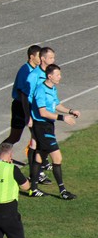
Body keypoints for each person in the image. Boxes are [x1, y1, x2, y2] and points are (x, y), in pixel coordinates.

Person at [29, 64, 80, 199]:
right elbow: (43, 112)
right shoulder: (40, 90)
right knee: (57, 157)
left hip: (48, 126)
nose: (60, 77)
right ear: (50, 76)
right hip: (42, 127)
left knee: (39, 156)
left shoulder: (52, 88)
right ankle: (63, 192)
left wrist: (70, 111)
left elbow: (56, 105)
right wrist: (63, 118)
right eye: (58, 75)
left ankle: (33, 189)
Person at [0, 45, 41, 163]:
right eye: (39, 56)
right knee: (15, 137)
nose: (41, 58)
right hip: (20, 106)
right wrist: (27, 113)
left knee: (36, 136)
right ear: (32, 57)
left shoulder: (36, 70)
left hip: (29, 106)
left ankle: (37, 165)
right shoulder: (25, 70)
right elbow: (22, 93)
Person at [25, 46, 56, 185]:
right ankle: (36, 174)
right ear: (43, 59)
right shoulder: (34, 76)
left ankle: (37, 172)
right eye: (51, 58)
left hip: (45, 117)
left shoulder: (49, 74)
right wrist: (29, 116)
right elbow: (26, 96)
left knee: (36, 143)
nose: (53, 60)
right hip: (37, 116)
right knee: (35, 142)